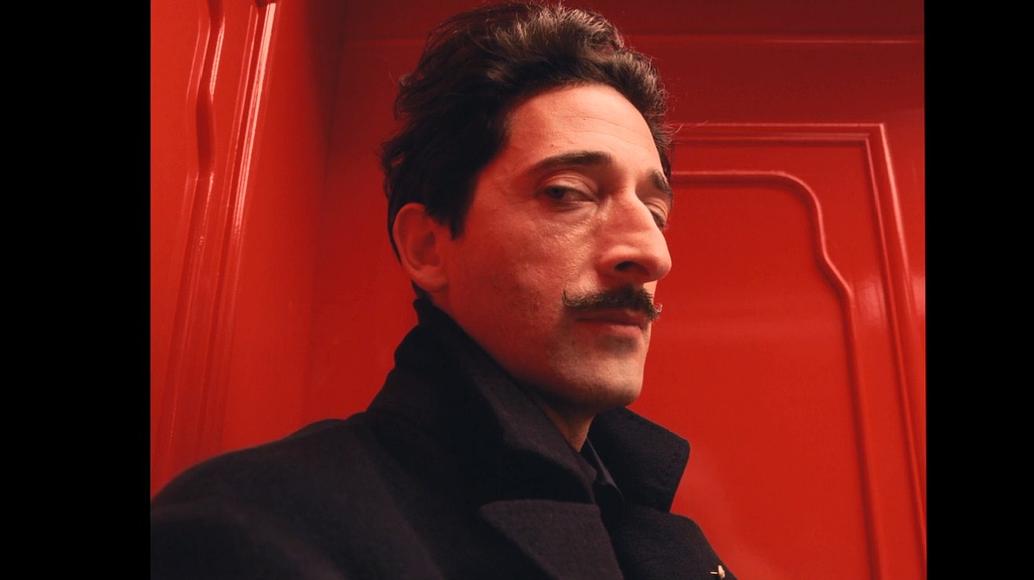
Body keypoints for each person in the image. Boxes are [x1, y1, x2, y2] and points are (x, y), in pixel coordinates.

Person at [151, 2, 737, 578]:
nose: (653, 255)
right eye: (567, 193)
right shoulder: (250, 530)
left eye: (655, 212)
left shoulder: (659, 533)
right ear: (428, 247)